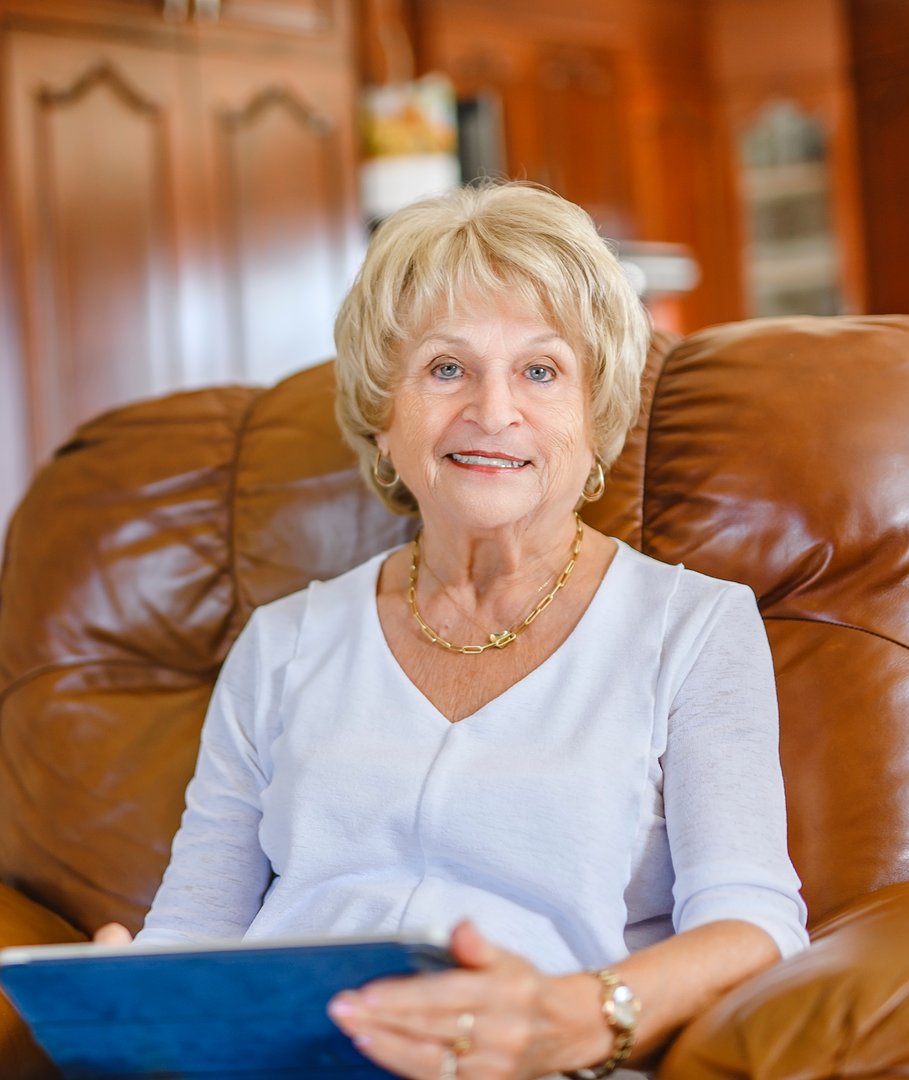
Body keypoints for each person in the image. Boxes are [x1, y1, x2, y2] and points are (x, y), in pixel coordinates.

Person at [95, 181, 808, 1079]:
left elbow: (753, 925)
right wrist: (128, 991)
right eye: (445, 368)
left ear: (596, 422)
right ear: (385, 419)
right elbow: (197, 926)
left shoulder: (694, 630)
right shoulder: (282, 644)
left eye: (541, 371)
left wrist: (587, 1015)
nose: (493, 410)